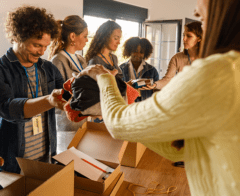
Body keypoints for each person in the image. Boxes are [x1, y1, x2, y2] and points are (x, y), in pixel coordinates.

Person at [75, 0, 240, 195]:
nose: (195, 9)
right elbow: (176, 150)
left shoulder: (215, 74)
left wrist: (104, 78)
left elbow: (118, 123)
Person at [0, 6, 66, 173]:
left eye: (46, 46)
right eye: (37, 45)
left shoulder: (48, 68)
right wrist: (48, 100)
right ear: (17, 36)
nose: (42, 51)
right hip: (14, 162)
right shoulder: (2, 69)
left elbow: (66, 94)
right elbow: (7, 109)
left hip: (46, 155)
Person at [49, 15, 88, 141]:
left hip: (83, 123)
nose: (87, 40)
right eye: (85, 36)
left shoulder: (81, 60)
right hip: (66, 127)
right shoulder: (57, 60)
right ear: (73, 36)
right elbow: (58, 95)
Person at [148, 21, 202, 90]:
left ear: (199, 39)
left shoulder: (208, 58)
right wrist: (155, 84)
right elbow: (167, 80)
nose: (184, 39)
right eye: (184, 35)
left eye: (189, 36)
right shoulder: (177, 58)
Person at [120, 37, 159, 101]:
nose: (138, 54)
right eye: (135, 51)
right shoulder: (121, 69)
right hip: (127, 106)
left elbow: (156, 91)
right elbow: (117, 90)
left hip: (145, 107)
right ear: (130, 51)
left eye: (141, 52)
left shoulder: (152, 70)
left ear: (145, 53)